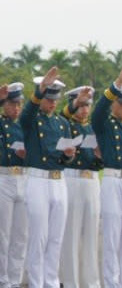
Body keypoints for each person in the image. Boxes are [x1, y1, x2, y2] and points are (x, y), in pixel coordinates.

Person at [20, 67, 74, 288]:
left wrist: (69, 156)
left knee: (55, 238)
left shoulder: (62, 123)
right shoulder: (32, 120)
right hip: (38, 179)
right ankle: (36, 283)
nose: (51, 103)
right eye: (47, 99)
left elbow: (65, 156)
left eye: (54, 99)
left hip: (58, 179)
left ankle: (51, 281)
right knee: (38, 237)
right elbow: (26, 114)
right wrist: (40, 89)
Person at [59, 85, 101, 288]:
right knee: (72, 234)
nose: (85, 110)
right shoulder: (66, 124)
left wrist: (100, 156)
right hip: (72, 179)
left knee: (91, 234)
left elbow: (98, 160)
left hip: (92, 180)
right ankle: (70, 281)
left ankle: (91, 282)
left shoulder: (92, 128)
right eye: (81, 105)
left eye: (88, 105)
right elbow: (62, 115)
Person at [0, 82, 29, 288]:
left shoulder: (23, 124)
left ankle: (15, 279)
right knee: (2, 233)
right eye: (12, 104)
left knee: (20, 234)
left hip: (22, 176)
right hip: (2, 176)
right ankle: (0, 279)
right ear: (5, 104)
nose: (16, 108)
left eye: (19, 104)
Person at [93, 67, 122, 288]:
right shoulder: (105, 124)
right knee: (111, 236)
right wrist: (116, 85)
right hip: (112, 179)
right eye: (120, 103)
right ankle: (112, 284)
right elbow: (98, 112)